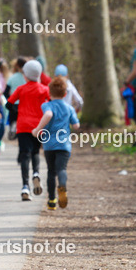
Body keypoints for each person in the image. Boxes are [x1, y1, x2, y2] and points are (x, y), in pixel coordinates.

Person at [33, 76, 80, 210]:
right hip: (64, 145)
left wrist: (37, 130)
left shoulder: (47, 105)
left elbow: (47, 115)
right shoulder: (69, 108)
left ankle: (52, 200)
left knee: (51, 171)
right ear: (65, 94)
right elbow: (76, 125)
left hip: (49, 144)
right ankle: (63, 186)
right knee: (62, 169)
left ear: (49, 92)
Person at [6, 59, 49, 201]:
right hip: (38, 126)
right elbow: (51, 103)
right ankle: (36, 173)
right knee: (36, 151)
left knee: (25, 155)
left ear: (25, 75)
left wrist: (18, 111)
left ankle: (25, 186)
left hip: (23, 125)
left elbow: (8, 104)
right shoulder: (44, 89)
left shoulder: (21, 89)